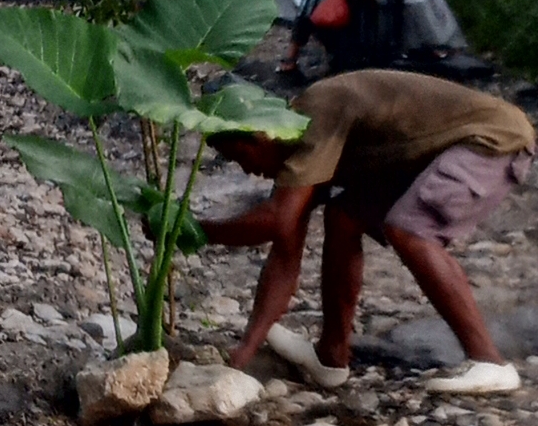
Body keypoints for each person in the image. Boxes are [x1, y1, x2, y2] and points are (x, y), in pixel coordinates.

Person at [200, 70, 535, 395]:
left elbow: (276, 221)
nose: (247, 170)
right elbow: (284, 255)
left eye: (241, 156)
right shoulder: (297, 151)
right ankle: (330, 358)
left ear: (262, 134)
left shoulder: (316, 114)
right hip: (425, 153)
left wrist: (194, 230)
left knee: (409, 229)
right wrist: (244, 352)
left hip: (491, 138)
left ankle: (489, 362)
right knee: (343, 217)